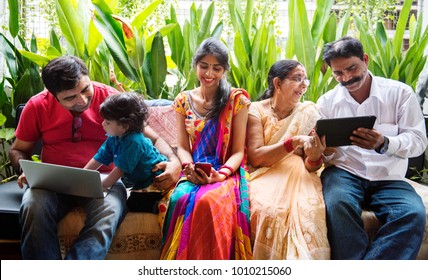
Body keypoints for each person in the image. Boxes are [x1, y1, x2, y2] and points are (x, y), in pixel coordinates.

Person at [8, 55, 181, 260]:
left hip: (105, 180)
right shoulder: (37, 106)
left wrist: (174, 161)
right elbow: (17, 150)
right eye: (70, 98)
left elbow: (153, 138)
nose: (82, 101)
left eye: (85, 89)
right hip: (53, 182)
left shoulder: (112, 99)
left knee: (109, 212)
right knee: (32, 206)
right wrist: (25, 170)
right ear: (53, 95)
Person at [317, 36, 427, 259]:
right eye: (338, 73)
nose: (347, 78)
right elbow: (325, 156)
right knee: (338, 206)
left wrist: (384, 143)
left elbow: (418, 141)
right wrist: (324, 151)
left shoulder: (400, 94)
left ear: (365, 59)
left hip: (389, 178)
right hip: (344, 173)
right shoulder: (326, 102)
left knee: (413, 213)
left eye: (352, 68)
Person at [160, 37, 253, 260]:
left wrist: (220, 175)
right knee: (179, 199)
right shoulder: (183, 100)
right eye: (204, 66)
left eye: (216, 68)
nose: (209, 73)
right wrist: (189, 167)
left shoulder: (236, 101)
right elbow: (182, 146)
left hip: (225, 171)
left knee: (207, 202)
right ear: (195, 66)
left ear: (224, 70)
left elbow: (238, 151)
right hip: (194, 169)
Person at [246, 59, 330, 260]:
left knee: (311, 212)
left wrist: (314, 156)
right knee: (269, 210)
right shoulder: (256, 110)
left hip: (298, 174)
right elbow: (256, 157)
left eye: (305, 80)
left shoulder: (308, 112)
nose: (304, 85)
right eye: (297, 79)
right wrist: (292, 143)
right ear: (277, 83)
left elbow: (311, 165)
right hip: (264, 173)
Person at [84, 92, 169, 213]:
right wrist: (83, 175)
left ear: (125, 126)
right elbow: (99, 157)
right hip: (139, 181)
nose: (102, 124)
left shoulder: (134, 142)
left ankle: (160, 205)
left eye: (107, 122)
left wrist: (101, 186)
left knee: (133, 205)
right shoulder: (114, 137)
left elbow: (119, 170)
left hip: (154, 181)